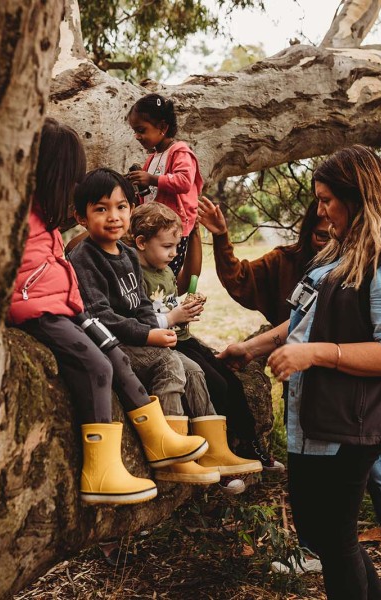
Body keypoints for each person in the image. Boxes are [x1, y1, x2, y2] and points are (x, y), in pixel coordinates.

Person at [198, 192, 381, 594]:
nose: (322, 209)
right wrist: (253, 348)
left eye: (330, 199)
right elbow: (303, 318)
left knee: (335, 532)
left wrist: (313, 354)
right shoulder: (339, 250)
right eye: (319, 199)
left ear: (360, 195)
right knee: (320, 528)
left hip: (353, 418)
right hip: (314, 414)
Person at [7, 118, 209, 506]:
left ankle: (158, 439)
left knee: (113, 353)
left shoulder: (46, 223)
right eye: (69, 184)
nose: (69, 193)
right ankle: (101, 472)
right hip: (42, 313)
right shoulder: (20, 219)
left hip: (67, 309)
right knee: (97, 366)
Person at [68, 168, 262, 486]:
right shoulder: (85, 258)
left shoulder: (127, 255)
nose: (114, 216)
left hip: (139, 339)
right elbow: (101, 316)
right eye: (101, 209)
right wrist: (148, 334)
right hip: (112, 344)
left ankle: (213, 448)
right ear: (81, 217)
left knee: (195, 370)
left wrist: (159, 331)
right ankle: (170, 453)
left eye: (121, 207)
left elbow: (143, 306)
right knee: (169, 363)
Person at [130, 201, 285, 473]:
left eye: (176, 246)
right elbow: (142, 319)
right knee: (213, 383)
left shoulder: (164, 270)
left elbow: (176, 292)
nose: (173, 253)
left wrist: (186, 309)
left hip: (183, 339)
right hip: (163, 343)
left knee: (231, 381)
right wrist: (174, 316)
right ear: (141, 242)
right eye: (167, 247)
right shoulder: (133, 274)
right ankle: (212, 452)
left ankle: (250, 446)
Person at [199, 198, 329, 326]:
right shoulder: (284, 261)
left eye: (338, 236)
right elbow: (239, 279)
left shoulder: (347, 271)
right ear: (308, 231)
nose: (330, 246)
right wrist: (221, 236)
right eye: (323, 236)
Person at [126, 93, 203, 276]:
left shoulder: (180, 152)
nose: (137, 136)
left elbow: (184, 182)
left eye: (141, 130)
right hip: (153, 228)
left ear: (162, 127)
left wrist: (152, 179)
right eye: (135, 131)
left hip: (174, 229)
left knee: (167, 275)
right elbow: (149, 194)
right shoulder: (152, 158)